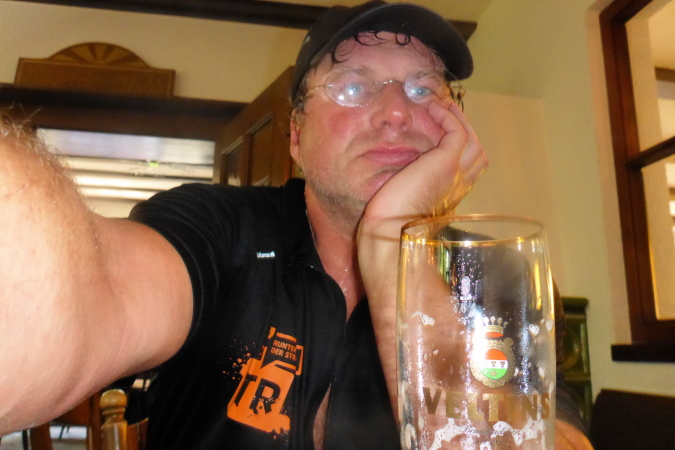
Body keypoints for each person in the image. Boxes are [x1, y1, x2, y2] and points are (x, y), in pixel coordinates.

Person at [0, 1, 592, 448]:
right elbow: (66, 305)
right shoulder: (220, 230)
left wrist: (395, 241)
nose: (395, 112)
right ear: (295, 137)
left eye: (423, 89)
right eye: (353, 86)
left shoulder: (500, 274)